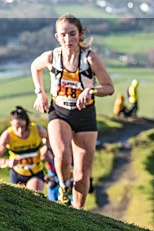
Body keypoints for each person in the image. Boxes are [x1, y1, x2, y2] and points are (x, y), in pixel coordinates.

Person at [30, 14, 114, 208]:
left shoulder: (90, 59)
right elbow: (35, 67)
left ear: (80, 35)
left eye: (72, 34)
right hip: (59, 111)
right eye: (63, 35)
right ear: (57, 37)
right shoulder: (52, 56)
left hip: (85, 116)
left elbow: (109, 87)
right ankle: (63, 187)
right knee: (62, 155)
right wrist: (40, 93)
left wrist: (91, 90)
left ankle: (78, 213)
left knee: (83, 175)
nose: (68, 39)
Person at [0, 106, 50, 193]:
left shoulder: (37, 129)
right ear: (11, 124)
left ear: (27, 123)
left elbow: (49, 138)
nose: (20, 130)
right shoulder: (8, 135)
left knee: (34, 194)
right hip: (17, 173)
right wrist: (7, 162)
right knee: (19, 202)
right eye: (16, 127)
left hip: (36, 172)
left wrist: (47, 149)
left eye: (23, 126)